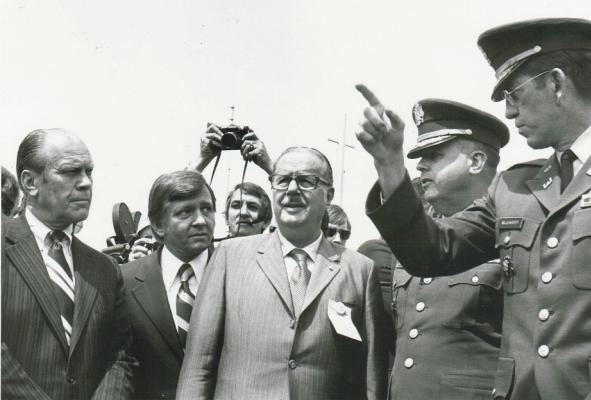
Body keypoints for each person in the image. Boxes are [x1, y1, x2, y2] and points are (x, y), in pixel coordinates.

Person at [356, 17, 591, 400]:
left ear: (557, 84)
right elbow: (432, 251)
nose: (510, 113)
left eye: (514, 95)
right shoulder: (514, 187)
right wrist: (389, 165)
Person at [176, 147, 388, 400]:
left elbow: (372, 379)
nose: (292, 190)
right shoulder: (229, 256)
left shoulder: (360, 270)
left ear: (329, 194)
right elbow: (198, 366)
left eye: (306, 181)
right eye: (283, 180)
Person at [2, 128, 136, 399]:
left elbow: (121, 355)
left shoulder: (105, 269)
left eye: (89, 172)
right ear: (30, 183)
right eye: (70, 171)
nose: (86, 183)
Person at [388, 99, 508, 399]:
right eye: (419, 157)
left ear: (476, 162)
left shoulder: (509, 233)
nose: (420, 165)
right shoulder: (415, 241)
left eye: (435, 155)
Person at [121, 170, 216, 399]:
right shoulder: (124, 281)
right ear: (158, 226)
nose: (201, 221)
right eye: (185, 212)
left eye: (207, 209)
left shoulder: (237, 274)